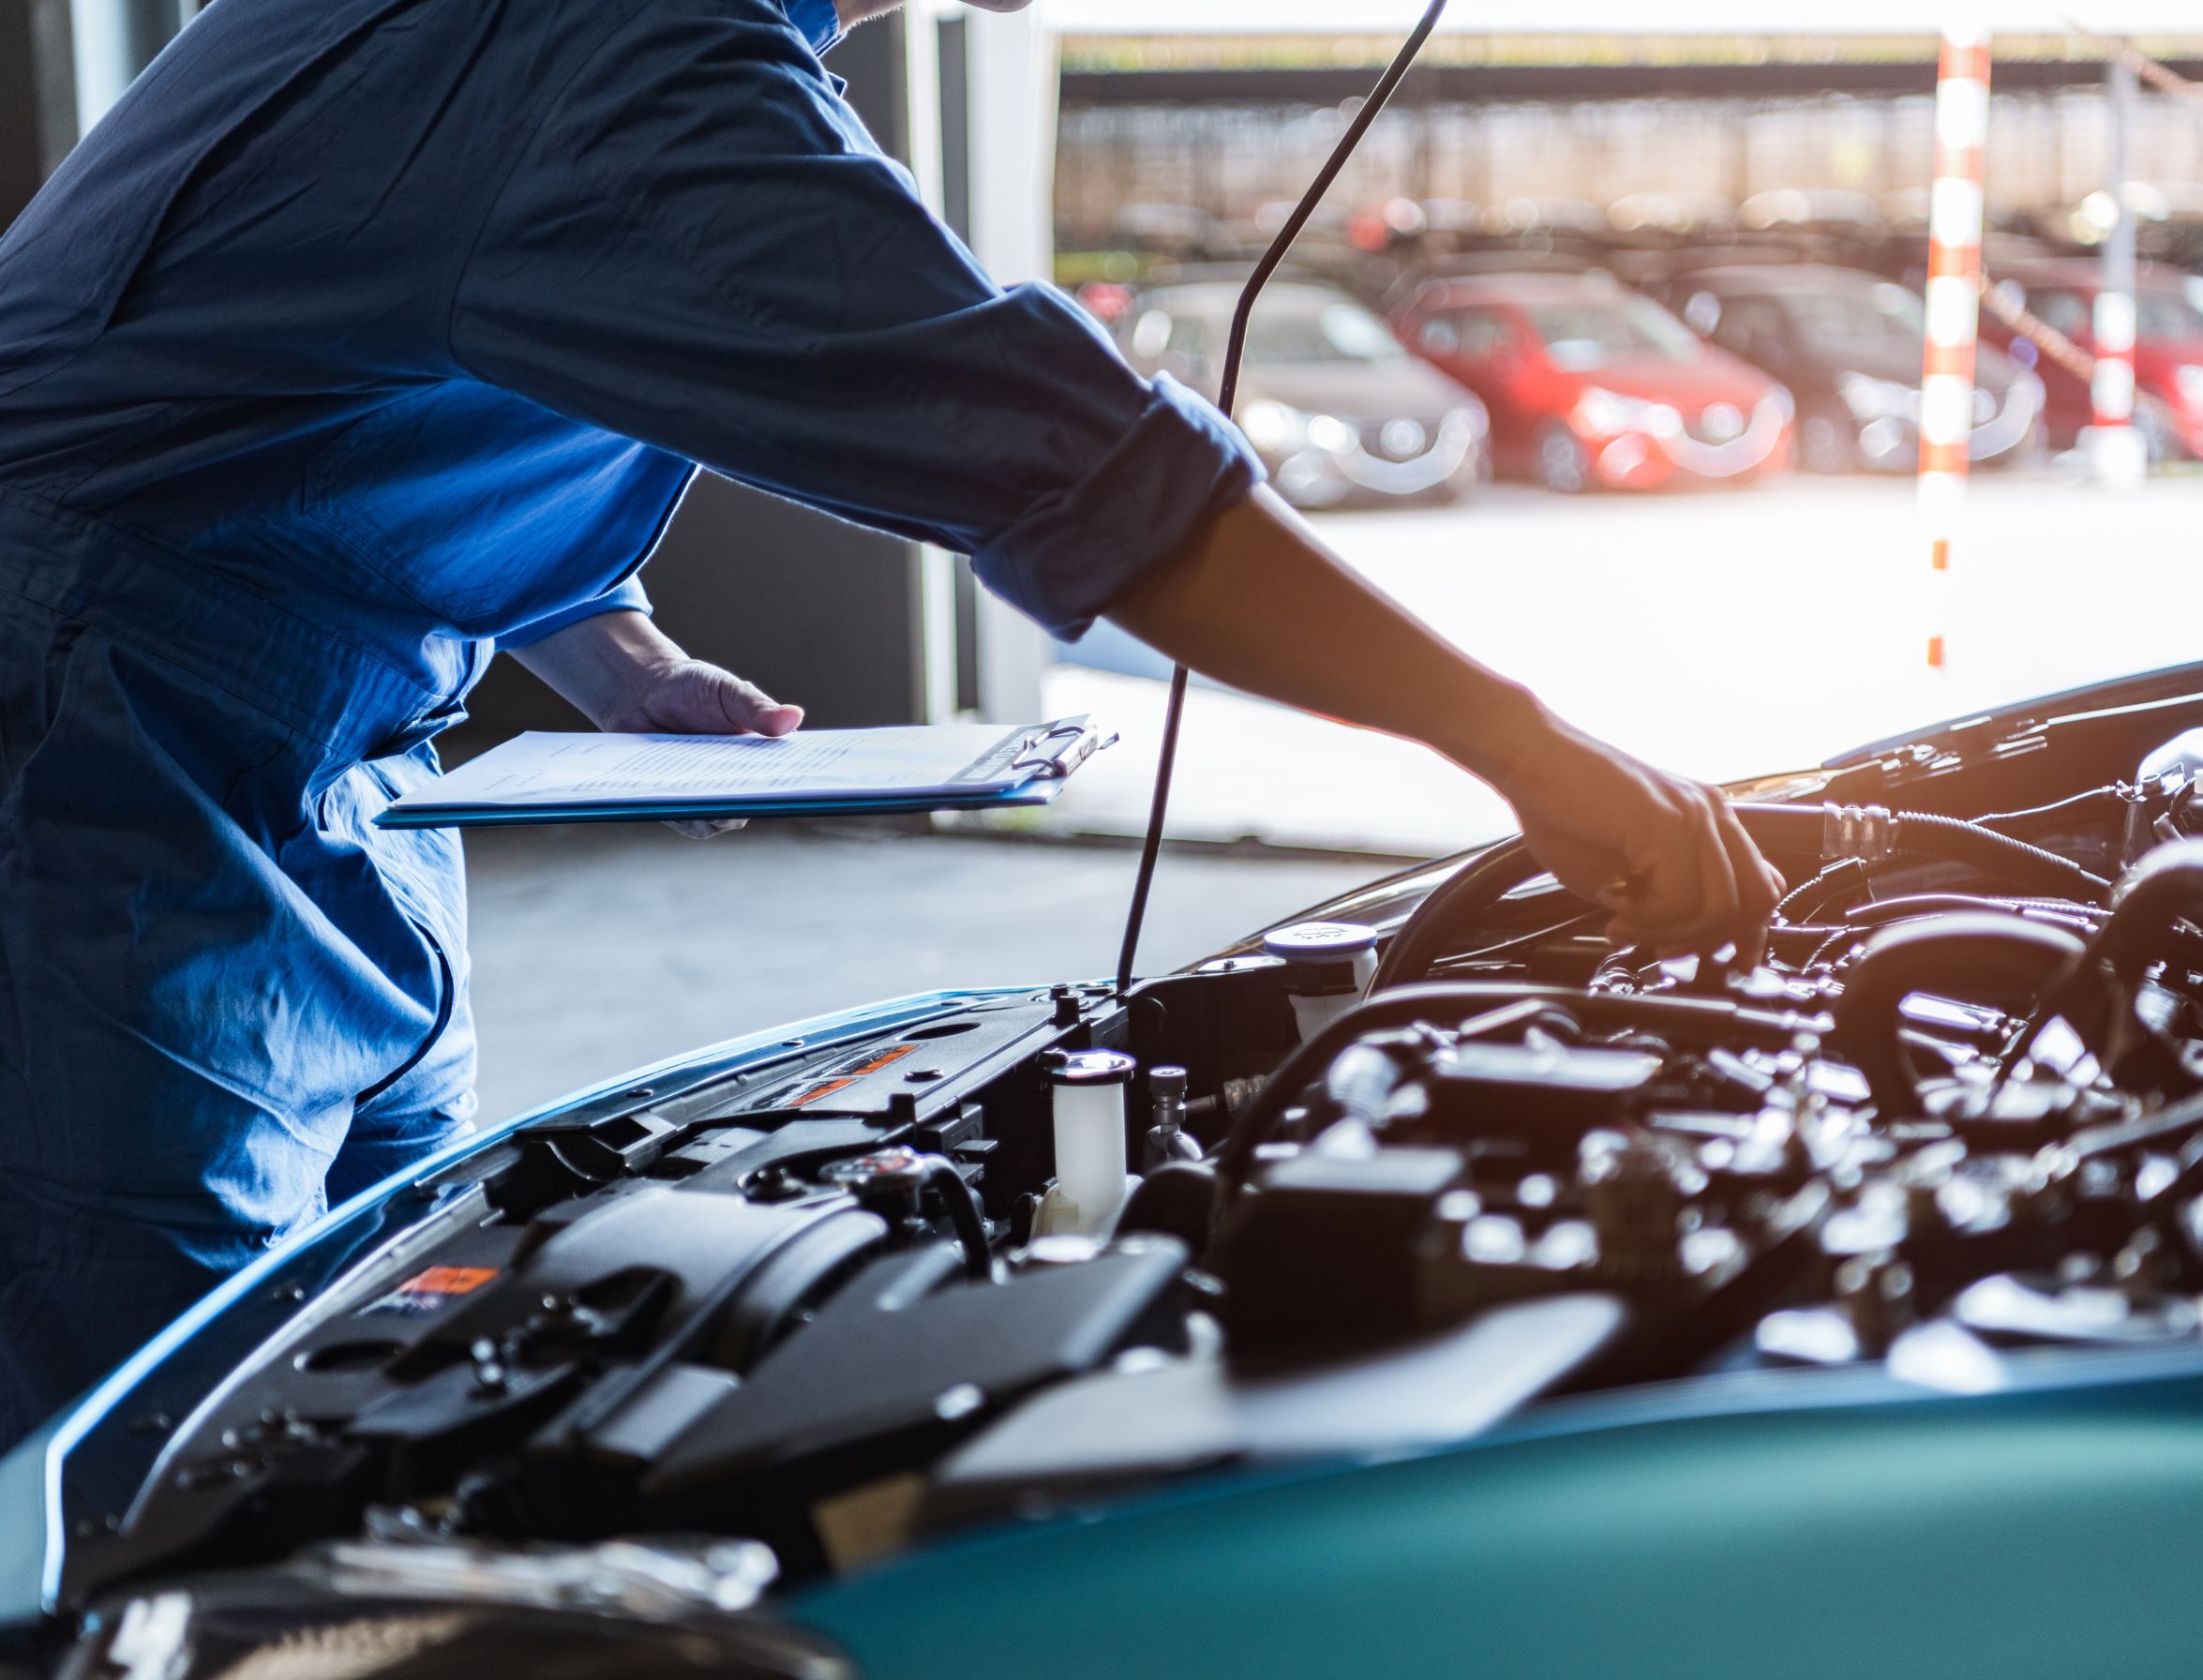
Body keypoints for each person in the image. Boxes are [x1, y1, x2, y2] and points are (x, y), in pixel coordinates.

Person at [0, 0, 1779, 1444]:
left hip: (318, 743)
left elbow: (321, 349)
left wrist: (603, 642)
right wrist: (1533, 753)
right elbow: (1083, 470)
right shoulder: (622, 57)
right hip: (101, 736)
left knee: (384, 1340)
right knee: (158, 1426)